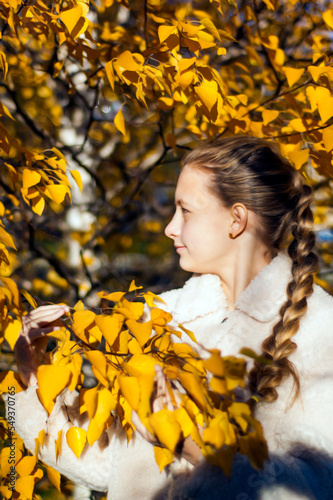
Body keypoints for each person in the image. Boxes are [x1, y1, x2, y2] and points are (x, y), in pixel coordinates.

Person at [5, 136, 333, 499]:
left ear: (236, 220)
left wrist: (194, 448)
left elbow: (311, 489)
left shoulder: (321, 332)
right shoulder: (160, 317)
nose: (169, 228)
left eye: (186, 211)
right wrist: (32, 374)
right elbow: (105, 462)